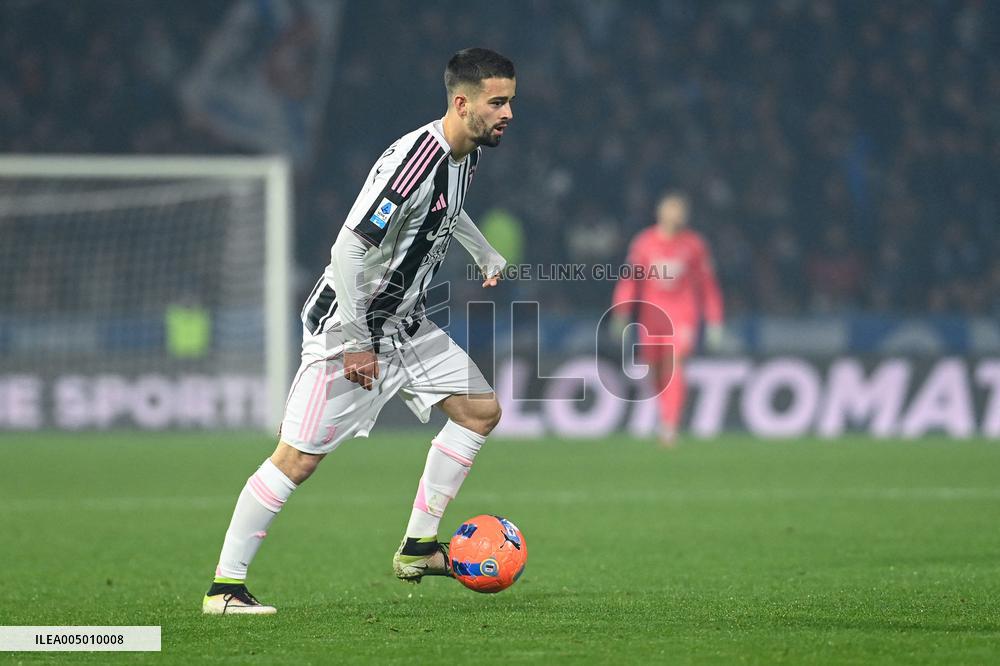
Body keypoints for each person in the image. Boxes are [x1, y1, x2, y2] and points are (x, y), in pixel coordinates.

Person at [202, 48, 515, 614]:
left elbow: (446, 212)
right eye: (498, 102)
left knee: (479, 411)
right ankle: (225, 587)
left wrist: (483, 250)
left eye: (511, 101)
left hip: (408, 324)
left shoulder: (464, 152)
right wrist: (355, 340)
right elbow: (349, 248)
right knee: (297, 459)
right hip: (352, 324)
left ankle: (418, 547)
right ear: (462, 103)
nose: (508, 112)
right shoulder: (413, 162)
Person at [611, 192, 724, 447]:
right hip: (651, 315)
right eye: (672, 209)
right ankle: (666, 415)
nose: (677, 215)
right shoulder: (644, 243)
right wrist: (620, 311)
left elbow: (708, 285)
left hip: (682, 314)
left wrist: (715, 319)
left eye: (680, 210)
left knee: (674, 364)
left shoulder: (694, 244)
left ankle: (670, 425)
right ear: (660, 213)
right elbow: (630, 279)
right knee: (654, 369)